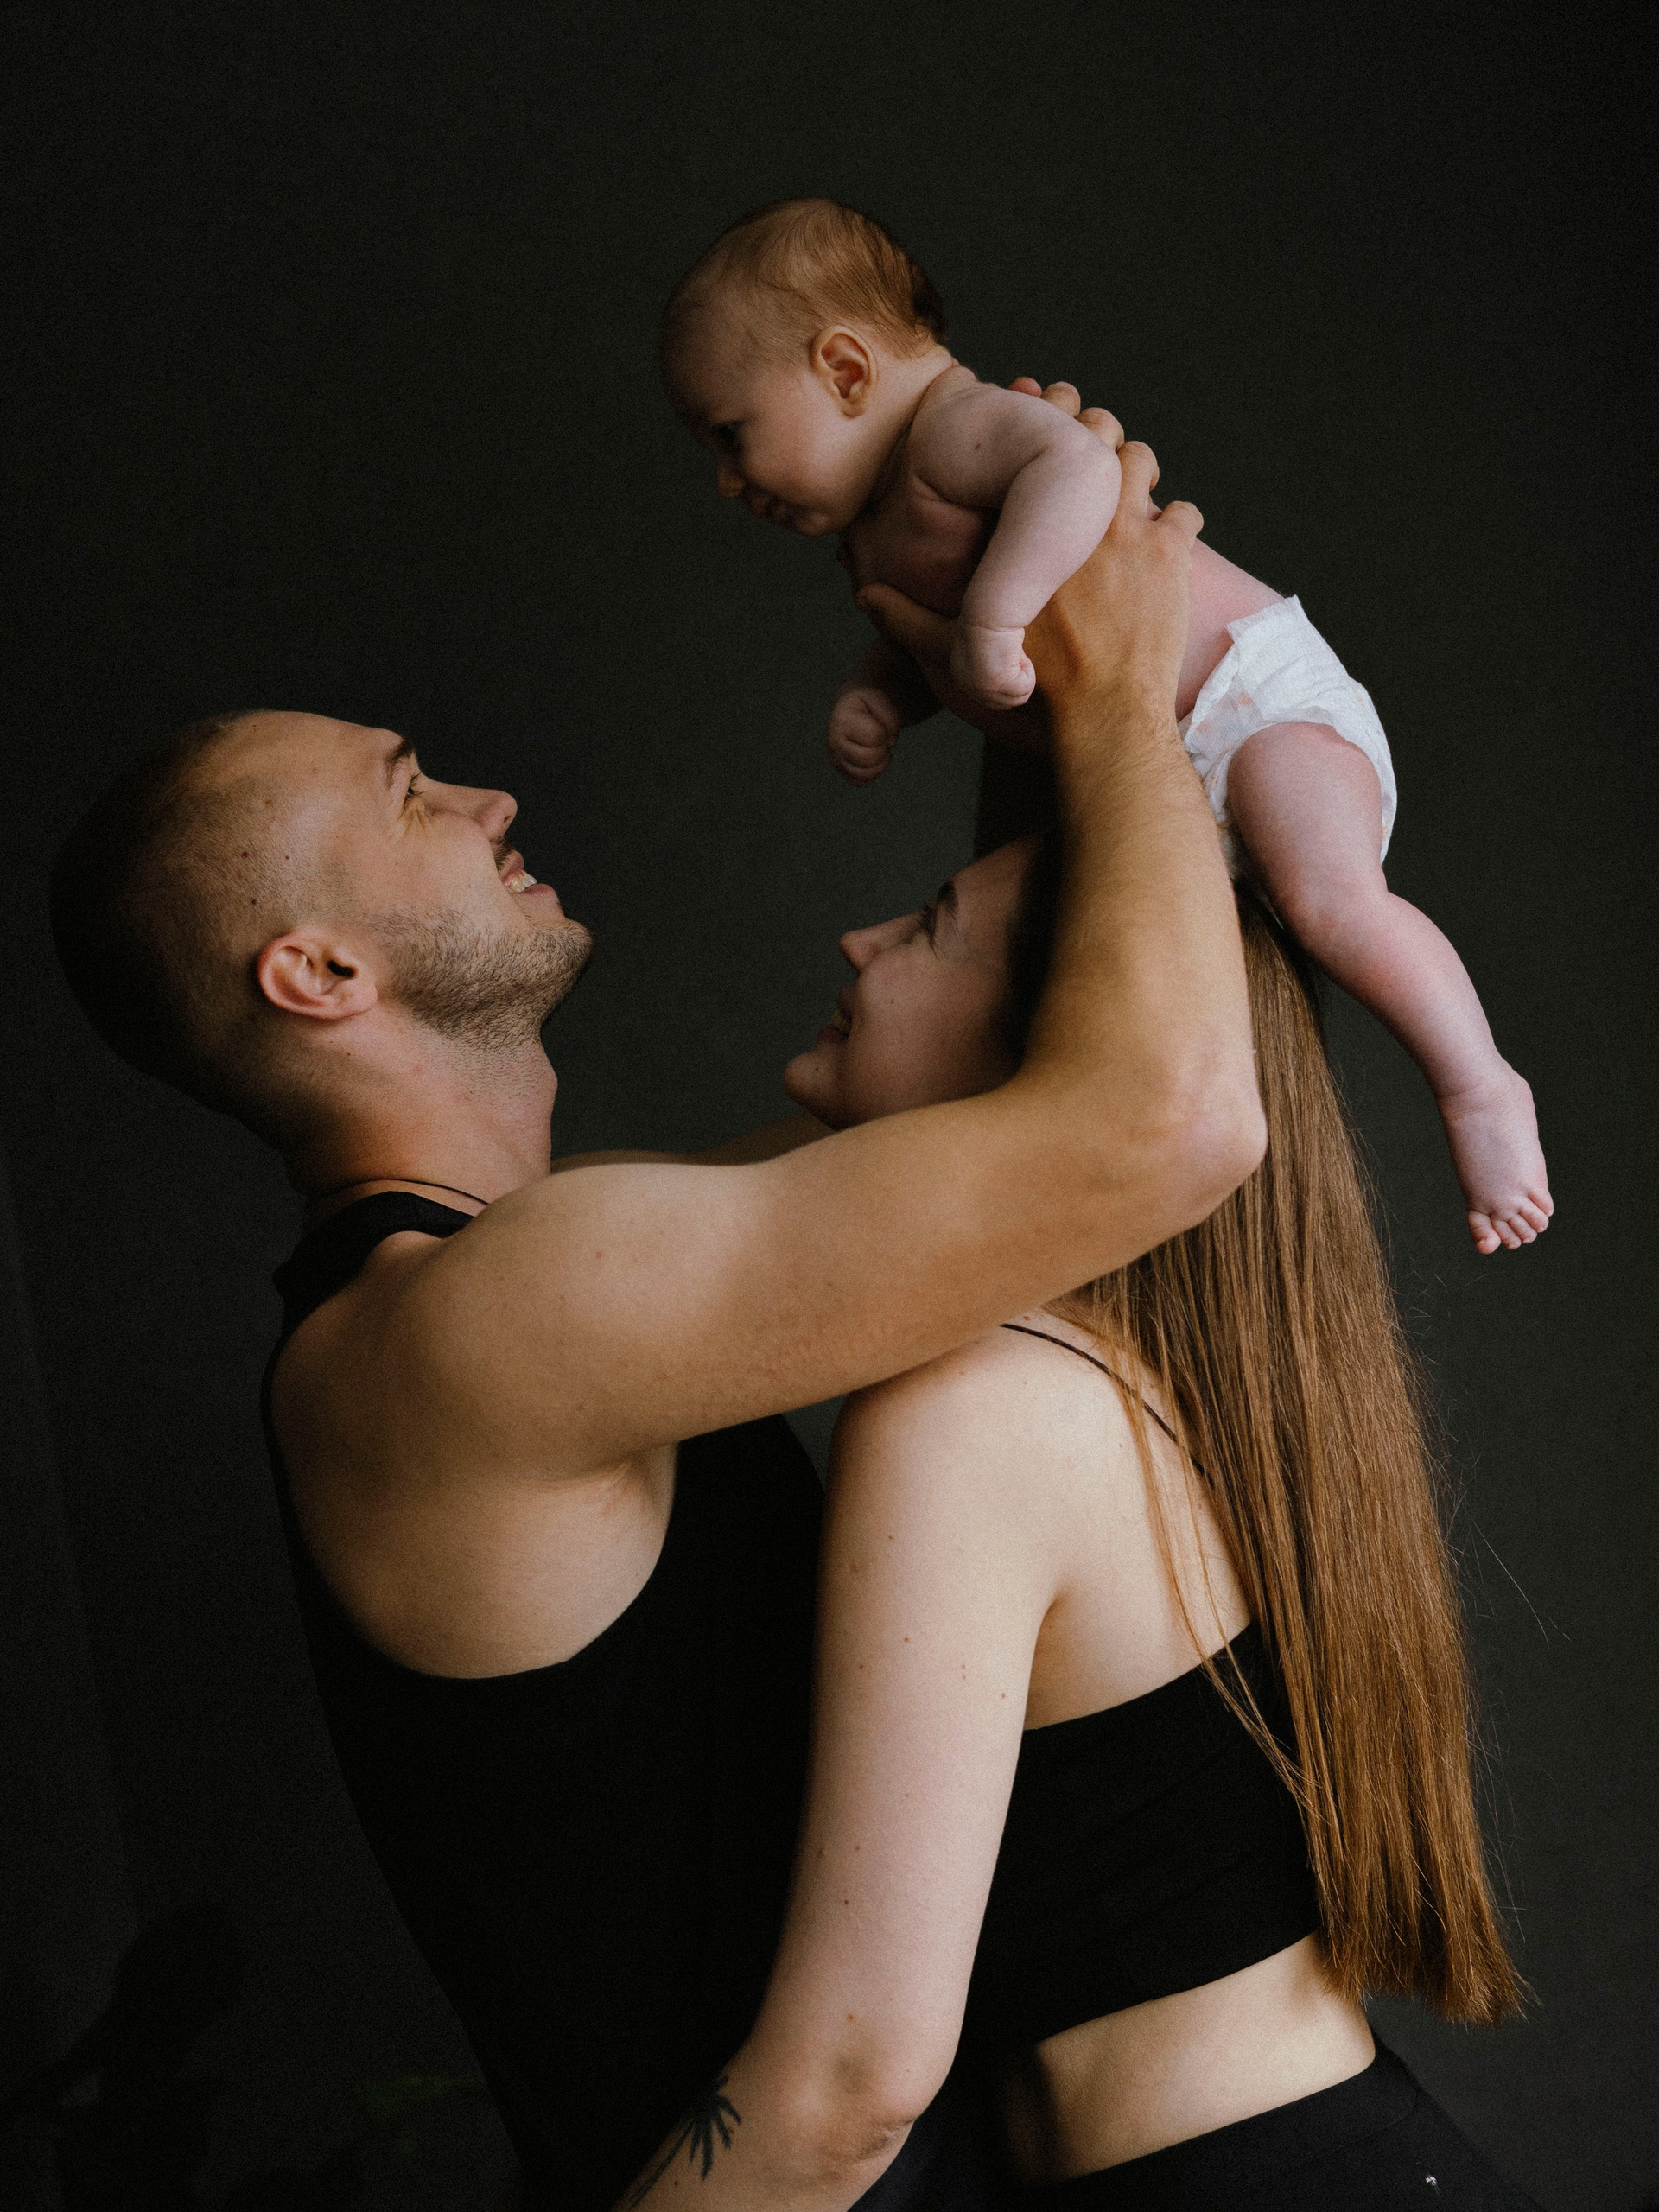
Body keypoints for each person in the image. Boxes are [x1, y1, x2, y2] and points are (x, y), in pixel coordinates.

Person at [48, 423, 1262, 2208]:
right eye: (411, 791)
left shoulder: (529, 1279)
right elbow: (1170, 1125)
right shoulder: (467, 1330)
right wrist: (1123, 690)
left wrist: (1013, 661)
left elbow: (1012, 1102)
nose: (491, 803)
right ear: (319, 974)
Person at [616, 836, 1538, 2201]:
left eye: (928, 924)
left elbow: (849, 2087)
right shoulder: (1174, 1376)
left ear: (1046, 1054)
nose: (861, 942)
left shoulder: (973, 1409)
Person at [660, 196, 1552, 1260]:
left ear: (846, 370)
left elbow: (1077, 471)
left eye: (731, 434)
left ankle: (1478, 1085)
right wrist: (883, 693)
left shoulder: (951, 427)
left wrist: (995, 617)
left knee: (1331, 902)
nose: (726, 480)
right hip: (1154, 764)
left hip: (1254, 703)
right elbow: (921, 628)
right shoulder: (874, 526)